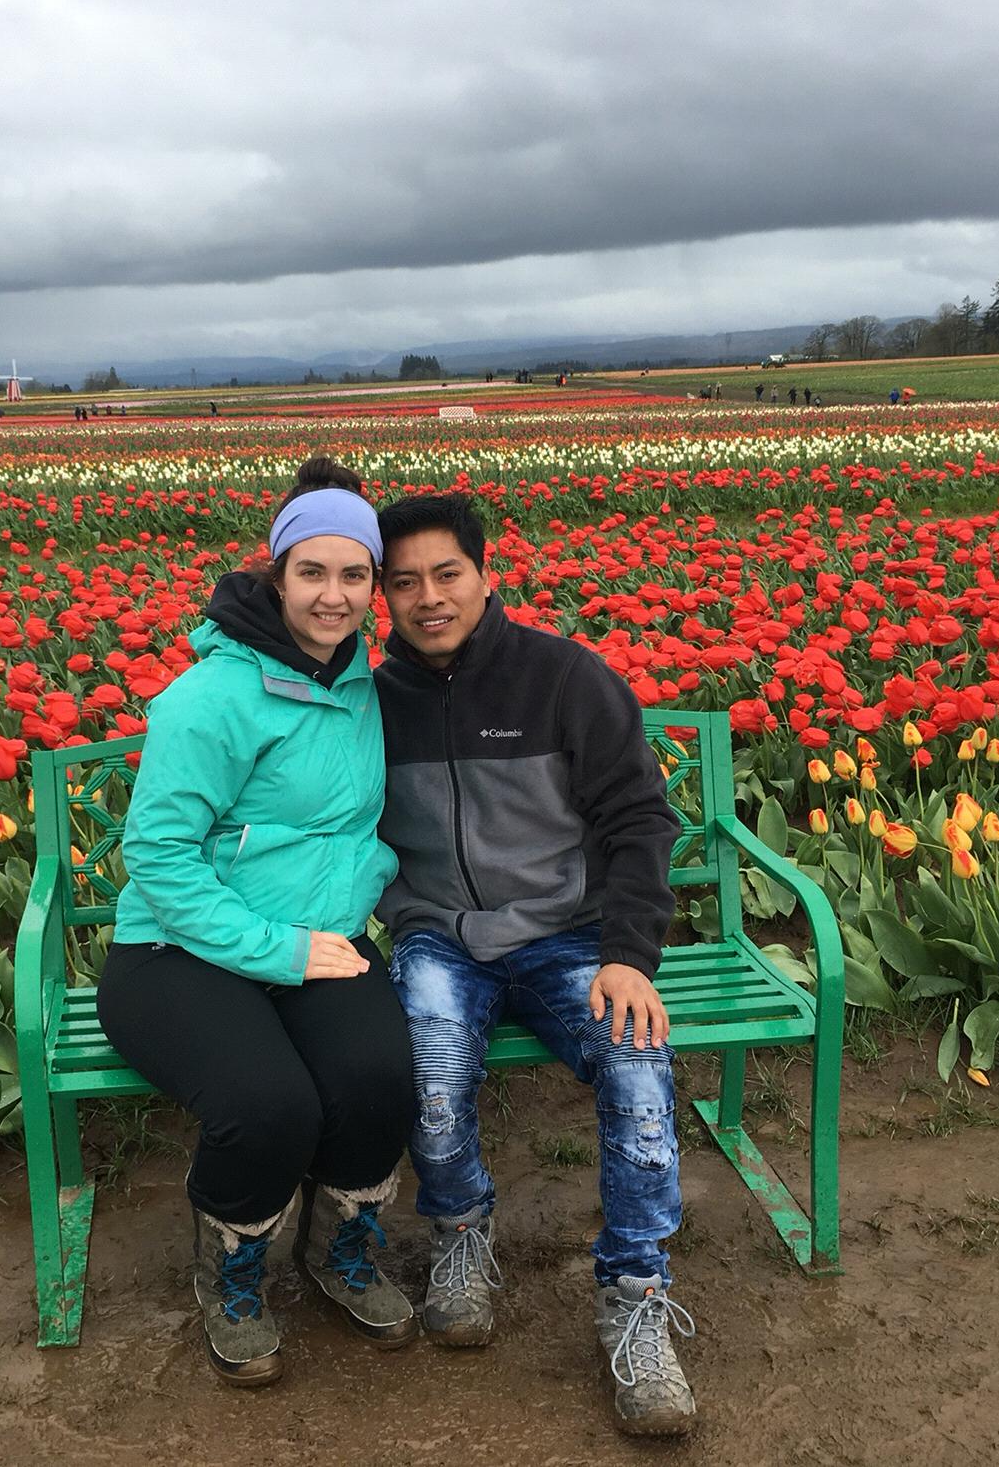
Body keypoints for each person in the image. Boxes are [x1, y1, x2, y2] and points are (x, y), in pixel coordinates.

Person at [372, 492, 695, 1438]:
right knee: (427, 1064)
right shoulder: (371, 699)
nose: (429, 597)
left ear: (485, 574)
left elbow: (640, 820)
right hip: (439, 933)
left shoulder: (562, 679)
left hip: (567, 936)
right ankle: (462, 1235)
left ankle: (635, 1293)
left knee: (636, 1060)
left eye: (447, 574)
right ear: (383, 595)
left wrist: (631, 955)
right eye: (404, 582)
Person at [96, 456, 417, 1388]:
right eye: (312, 573)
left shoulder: (365, 684)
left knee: (380, 1074)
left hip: (315, 942)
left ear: (373, 583)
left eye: (353, 574)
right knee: (269, 1103)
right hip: (175, 951)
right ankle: (232, 1274)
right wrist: (274, 949)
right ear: (275, 574)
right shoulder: (212, 698)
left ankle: (337, 1251)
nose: (333, 595)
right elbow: (156, 860)